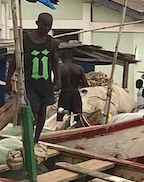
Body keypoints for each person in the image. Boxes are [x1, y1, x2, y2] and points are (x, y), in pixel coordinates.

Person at [9, 12, 59, 141]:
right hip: (30, 82)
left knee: (43, 110)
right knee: (33, 109)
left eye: (49, 26)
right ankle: (27, 137)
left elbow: (54, 61)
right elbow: (14, 60)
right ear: (37, 23)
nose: (46, 28)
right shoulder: (25, 40)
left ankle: (36, 139)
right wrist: (8, 80)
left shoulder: (52, 42)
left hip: (46, 82)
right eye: (44, 25)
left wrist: (58, 78)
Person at [56, 52, 86, 126]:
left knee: (62, 113)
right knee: (77, 113)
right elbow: (85, 84)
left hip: (65, 93)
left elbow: (58, 85)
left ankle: (62, 129)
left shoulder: (60, 69)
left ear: (62, 59)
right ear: (72, 59)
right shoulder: (79, 68)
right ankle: (77, 128)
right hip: (75, 93)